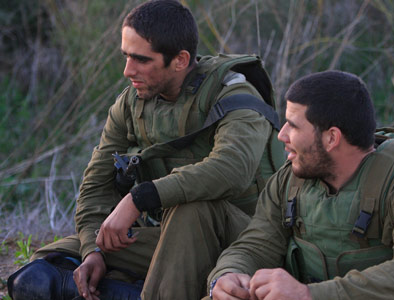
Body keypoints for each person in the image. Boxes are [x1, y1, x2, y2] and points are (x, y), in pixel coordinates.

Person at [7, 1, 284, 299]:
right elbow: (95, 187)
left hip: (241, 245)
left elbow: (231, 169)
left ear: (180, 60)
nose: (128, 70)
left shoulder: (236, 96)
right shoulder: (132, 103)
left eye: (141, 59)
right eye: (126, 56)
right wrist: (92, 250)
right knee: (36, 279)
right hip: (168, 239)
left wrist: (138, 199)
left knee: (192, 207)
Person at [207, 70, 394, 300]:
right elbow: (256, 245)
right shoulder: (289, 181)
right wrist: (227, 274)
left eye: (293, 125)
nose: (282, 135)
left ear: (331, 137)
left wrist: (309, 295)